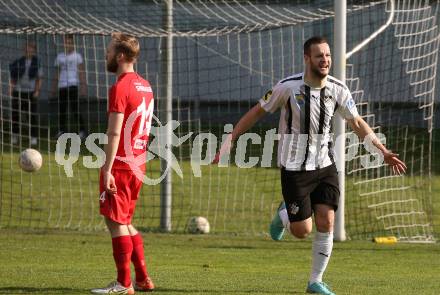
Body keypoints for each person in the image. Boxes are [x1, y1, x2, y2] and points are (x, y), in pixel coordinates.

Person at [214, 36, 406, 295]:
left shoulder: (338, 89)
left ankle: (315, 281)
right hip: (294, 169)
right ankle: (284, 214)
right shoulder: (287, 87)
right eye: (319, 56)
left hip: (325, 165)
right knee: (302, 230)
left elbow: (357, 123)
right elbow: (257, 111)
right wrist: (231, 139)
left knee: (327, 221)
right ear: (307, 58)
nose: (325, 60)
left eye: (327, 55)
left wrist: (382, 151)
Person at [91, 33, 155, 295]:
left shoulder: (120, 87)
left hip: (120, 164)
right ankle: (142, 279)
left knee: (115, 222)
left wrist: (107, 169)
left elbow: (115, 133)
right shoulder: (145, 85)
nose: (105, 55)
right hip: (138, 161)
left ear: (119, 56)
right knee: (124, 220)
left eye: (108, 51)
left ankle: (123, 283)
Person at [52, 34, 87, 139]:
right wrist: (53, 88)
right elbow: (57, 73)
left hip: (73, 85)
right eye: (66, 42)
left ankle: (82, 130)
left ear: (73, 44)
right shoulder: (60, 56)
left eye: (70, 43)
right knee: (62, 109)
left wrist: (83, 86)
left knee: (75, 109)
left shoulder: (77, 56)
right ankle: (62, 131)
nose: (68, 44)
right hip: (62, 86)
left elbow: (81, 72)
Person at [9, 41, 43, 146]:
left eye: (31, 48)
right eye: (27, 48)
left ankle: (33, 137)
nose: (29, 50)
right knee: (15, 115)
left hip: (30, 93)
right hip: (18, 92)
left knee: (31, 116)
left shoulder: (37, 62)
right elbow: (13, 78)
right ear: (24, 50)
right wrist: (11, 89)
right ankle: (15, 136)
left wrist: (37, 91)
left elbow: (39, 78)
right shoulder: (18, 62)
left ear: (34, 51)